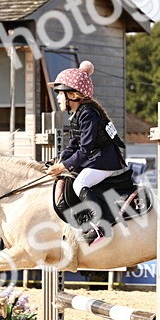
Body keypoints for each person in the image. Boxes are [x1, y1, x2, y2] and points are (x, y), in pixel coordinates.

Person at [46, 60, 127, 246]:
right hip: (95, 159)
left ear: (73, 95)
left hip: (105, 161)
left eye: (60, 94)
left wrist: (63, 166)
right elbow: (73, 144)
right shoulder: (78, 114)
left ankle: (101, 225)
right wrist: (59, 160)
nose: (57, 98)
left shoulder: (88, 114)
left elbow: (85, 148)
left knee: (80, 183)